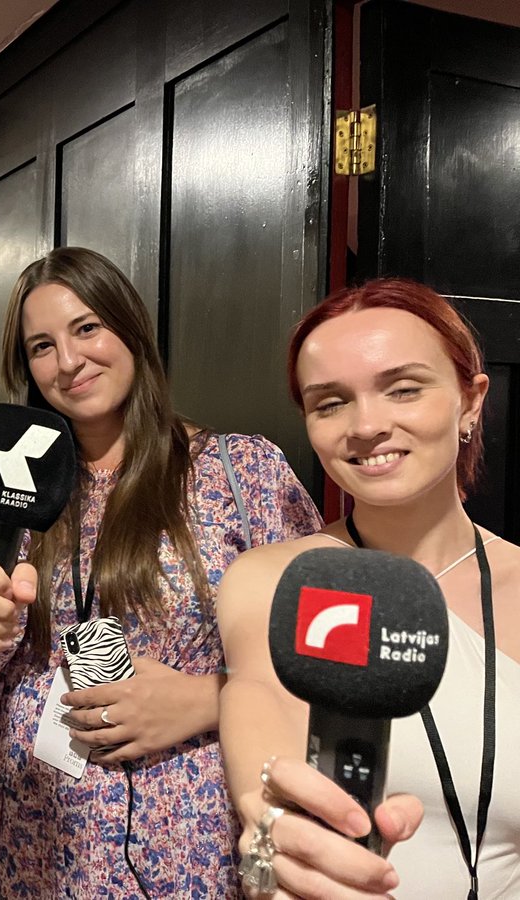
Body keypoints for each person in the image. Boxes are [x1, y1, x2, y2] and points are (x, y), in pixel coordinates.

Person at [0, 246, 321, 898]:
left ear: (131, 329)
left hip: (186, 848)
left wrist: (201, 701)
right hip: (26, 840)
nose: (69, 361)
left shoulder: (241, 474)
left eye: (87, 328)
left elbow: (314, 659)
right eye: (41, 346)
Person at [217, 277, 519, 898]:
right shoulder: (273, 582)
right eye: (330, 403)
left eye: (403, 389)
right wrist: (273, 846)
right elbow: (266, 779)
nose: (366, 425)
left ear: (470, 400)